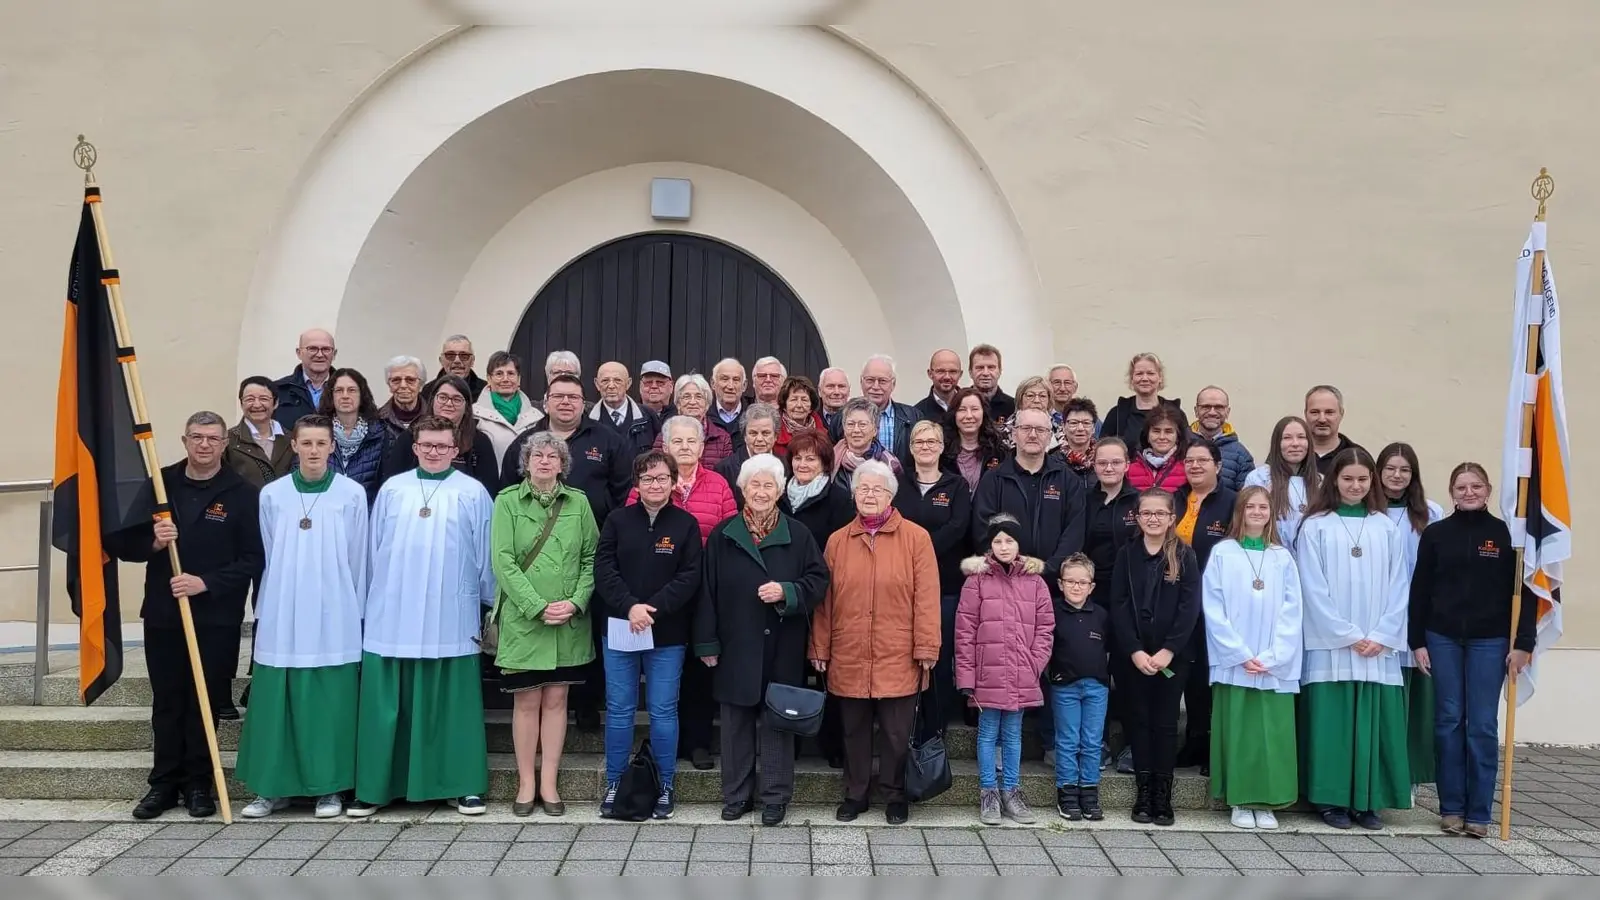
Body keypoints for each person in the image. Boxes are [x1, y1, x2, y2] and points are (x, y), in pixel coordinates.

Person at [111, 411, 264, 819]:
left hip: (215, 616)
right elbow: (123, 543)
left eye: (213, 439)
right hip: (164, 613)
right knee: (168, 701)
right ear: (184, 440)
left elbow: (253, 558)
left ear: (223, 444)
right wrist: (154, 542)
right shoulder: (160, 485)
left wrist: (206, 582)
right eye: (196, 437)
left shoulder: (242, 493)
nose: (204, 445)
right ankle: (163, 784)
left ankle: (199, 783)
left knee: (206, 699)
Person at [349, 416, 495, 818]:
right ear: (414, 447)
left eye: (442, 446)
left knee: (451, 707)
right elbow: (372, 552)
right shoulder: (393, 490)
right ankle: (377, 787)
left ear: (456, 449)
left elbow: (485, 555)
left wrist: (488, 603)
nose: (434, 452)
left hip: (451, 612)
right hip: (392, 613)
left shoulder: (473, 492)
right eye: (427, 445)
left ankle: (461, 785)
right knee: (387, 706)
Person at [236, 415, 368, 819]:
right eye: (306, 443)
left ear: (333, 448)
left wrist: (356, 613)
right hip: (285, 611)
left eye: (321, 444)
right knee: (279, 702)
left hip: (334, 613)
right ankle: (271, 788)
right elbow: (270, 552)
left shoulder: (351, 493)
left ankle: (329, 788)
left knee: (329, 704)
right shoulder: (274, 495)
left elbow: (359, 558)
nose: (313, 451)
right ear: (293, 446)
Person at [695, 455, 830, 827]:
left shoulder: (798, 534)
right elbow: (706, 591)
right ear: (742, 489)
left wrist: (787, 591)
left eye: (769, 485)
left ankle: (774, 797)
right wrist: (707, 643)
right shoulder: (724, 535)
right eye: (754, 484)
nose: (761, 491)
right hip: (734, 644)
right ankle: (736, 796)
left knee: (778, 724)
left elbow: (818, 581)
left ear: (781, 490)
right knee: (735, 727)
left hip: (782, 646)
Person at [811, 460, 940, 826]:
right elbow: (825, 600)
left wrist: (927, 647)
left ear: (890, 495)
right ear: (853, 495)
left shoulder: (916, 538)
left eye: (877, 490)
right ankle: (856, 794)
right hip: (849, 650)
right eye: (863, 489)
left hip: (898, 651)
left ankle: (895, 794)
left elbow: (928, 597)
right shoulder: (838, 540)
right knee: (853, 730)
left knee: (897, 733)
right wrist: (819, 648)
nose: (869, 495)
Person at [1410, 462, 1533, 839]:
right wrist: (1418, 641)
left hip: (1489, 640)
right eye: (1461, 487)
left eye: (1475, 486)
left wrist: (1524, 643)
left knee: (1481, 725)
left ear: (1488, 490)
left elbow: (1524, 593)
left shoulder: (1506, 535)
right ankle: (1451, 809)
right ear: (1451, 491)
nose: (1468, 492)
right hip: (1442, 637)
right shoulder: (1436, 534)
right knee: (1448, 722)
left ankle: (1478, 812)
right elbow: (1420, 591)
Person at [1294, 447, 1411, 830]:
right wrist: (1345, 634)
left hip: (1378, 644)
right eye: (1348, 479)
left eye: (1363, 479)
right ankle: (1331, 800)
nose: (1356, 485)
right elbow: (1311, 587)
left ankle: (1367, 800)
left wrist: (1381, 634)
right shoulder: (1316, 526)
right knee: (1333, 724)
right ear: (1334, 481)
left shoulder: (1385, 527)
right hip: (1332, 646)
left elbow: (1399, 586)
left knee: (1371, 723)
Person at [490, 432, 600, 818]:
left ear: (562, 464)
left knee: (556, 701)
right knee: (526, 702)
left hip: (567, 620)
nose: (544, 461)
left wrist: (575, 601)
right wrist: (537, 606)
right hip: (525, 619)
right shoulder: (506, 502)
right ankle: (525, 783)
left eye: (553, 456)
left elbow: (591, 558)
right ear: (526, 461)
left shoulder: (579, 503)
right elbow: (502, 561)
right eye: (538, 455)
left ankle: (549, 782)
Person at [594, 450, 704, 821]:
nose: (654, 485)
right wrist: (630, 607)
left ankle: (665, 784)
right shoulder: (617, 520)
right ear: (636, 484)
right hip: (621, 628)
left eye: (661, 478)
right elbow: (604, 569)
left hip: (666, 633)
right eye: (646, 479)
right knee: (621, 710)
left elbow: (689, 576)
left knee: (662, 711)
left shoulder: (685, 524)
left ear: (673, 482)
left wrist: (652, 608)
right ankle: (615, 782)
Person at [636, 414, 736, 771]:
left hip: (704, 592)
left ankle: (697, 742)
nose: (684, 447)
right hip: (659, 595)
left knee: (699, 669)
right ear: (664, 445)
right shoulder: (649, 483)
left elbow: (729, 533)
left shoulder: (719, 484)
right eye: (676, 441)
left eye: (691, 441)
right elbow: (634, 530)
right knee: (663, 671)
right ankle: (666, 740)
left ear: (701, 446)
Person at [1202, 485, 1304, 830]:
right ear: (1240, 511)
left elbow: (1294, 608)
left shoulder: (1282, 557)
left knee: (1273, 735)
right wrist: (1240, 653)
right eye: (1251, 507)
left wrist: (1275, 655)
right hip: (1236, 661)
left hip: (1274, 662)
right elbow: (1213, 607)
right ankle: (1241, 800)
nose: (1258, 512)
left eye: (1264, 507)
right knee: (1240, 732)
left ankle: (1270, 800)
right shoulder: (1223, 554)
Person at [1106, 488, 1200, 827]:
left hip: (1172, 658)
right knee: (1139, 723)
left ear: (1172, 517)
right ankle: (1143, 792)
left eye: (1160, 513)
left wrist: (1167, 650)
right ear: (1138, 517)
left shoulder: (1184, 556)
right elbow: (1117, 604)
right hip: (1134, 658)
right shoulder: (1127, 555)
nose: (1153, 519)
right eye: (1147, 513)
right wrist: (1134, 650)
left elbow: (1189, 608)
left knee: (1164, 724)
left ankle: (1163, 793)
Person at [955, 513, 1053, 826]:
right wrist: (967, 676)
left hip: (1022, 671)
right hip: (988, 673)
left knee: (1013, 735)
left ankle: (1011, 790)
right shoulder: (977, 580)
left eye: (1009, 540)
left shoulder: (1035, 582)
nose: (1003, 546)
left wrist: (1034, 662)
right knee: (987, 734)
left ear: (1020, 543)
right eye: (997, 540)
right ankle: (989, 793)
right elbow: (965, 630)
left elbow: (1045, 628)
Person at [893, 420, 974, 738]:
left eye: (932, 441)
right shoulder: (897, 483)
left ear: (942, 447)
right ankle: (907, 721)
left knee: (938, 655)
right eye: (919, 442)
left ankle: (936, 724)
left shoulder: (957, 486)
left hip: (945, 587)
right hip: (902, 586)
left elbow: (958, 527)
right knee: (904, 653)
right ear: (911, 448)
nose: (925, 447)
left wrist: (920, 549)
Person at [1377, 441, 1445, 790]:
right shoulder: (1371, 513)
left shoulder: (1431, 513)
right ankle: (1387, 769)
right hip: (1381, 613)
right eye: (1390, 468)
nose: (1397, 475)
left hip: (1419, 612)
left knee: (1418, 698)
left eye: (1404, 470)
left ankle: (1413, 774)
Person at [1172, 436, 1238, 773]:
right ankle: (1195, 739)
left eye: (1203, 460)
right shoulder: (1175, 499)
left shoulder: (1232, 503)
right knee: (1188, 669)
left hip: (1217, 601)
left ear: (1218, 465)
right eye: (1190, 461)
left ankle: (1216, 744)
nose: (1195, 466)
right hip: (1178, 601)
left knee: (1212, 672)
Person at [972, 407, 1086, 587]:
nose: (1033, 435)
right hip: (1004, 585)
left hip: (1053, 586)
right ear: (1014, 434)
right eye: (1026, 428)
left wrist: (1049, 569)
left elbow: (1074, 533)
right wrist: (1008, 568)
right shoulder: (993, 480)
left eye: (1040, 430)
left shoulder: (1068, 481)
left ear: (1050, 437)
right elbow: (982, 531)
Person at [502, 375, 632, 530]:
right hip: (534, 536)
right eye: (557, 396)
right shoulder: (525, 442)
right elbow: (508, 489)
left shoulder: (609, 440)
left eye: (573, 397)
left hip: (592, 537)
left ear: (583, 404)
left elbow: (622, 491)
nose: (565, 402)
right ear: (546, 403)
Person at [1082, 437, 1140, 773]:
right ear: (1094, 465)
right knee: (1093, 670)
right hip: (1090, 595)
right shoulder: (1085, 500)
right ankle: (1097, 742)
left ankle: (1131, 744)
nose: (1108, 468)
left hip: (1128, 597)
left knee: (1127, 670)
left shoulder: (1139, 502)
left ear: (1127, 464)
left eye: (1115, 462)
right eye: (1102, 462)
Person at [1047, 554, 1111, 822]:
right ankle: (1067, 792)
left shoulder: (1101, 615)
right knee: (1068, 740)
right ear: (1060, 584)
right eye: (1070, 581)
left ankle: (1089, 791)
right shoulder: (1051, 611)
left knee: (1092, 741)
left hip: (1097, 687)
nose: (1076, 587)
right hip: (1065, 687)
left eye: (1082, 582)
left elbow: (1108, 649)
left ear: (1092, 586)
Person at [382, 375, 500, 497]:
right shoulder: (411, 436)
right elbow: (393, 481)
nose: (449, 404)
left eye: (457, 399)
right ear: (432, 401)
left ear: (467, 407)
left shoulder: (480, 442)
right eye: (443, 397)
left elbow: (488, 491)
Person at [314, 367, 390, 505]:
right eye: (339, 390)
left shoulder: (380, 434)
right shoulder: (317, 433)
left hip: (366, 515)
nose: (345, 395)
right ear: (331, 396)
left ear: (362, 395)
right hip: (325, 513)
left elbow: (385, 485)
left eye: (352, 390)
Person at [1243, 416, 1320, 548]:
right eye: (1287, 438)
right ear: (1277, 443)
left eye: (1301, 437)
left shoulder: (1320, 482)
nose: (1295, 443)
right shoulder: (1260, 478)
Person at [1099, 352, 1188, 451]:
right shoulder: (1117, 414)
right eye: (1139, 374)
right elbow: (1102, 450)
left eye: (1150, 373)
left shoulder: (1176, 414)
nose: (1145, 378)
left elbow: (1187, 449)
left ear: (1160, 378)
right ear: (1132, 379)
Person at [473, 350, 544, 471]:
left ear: (519, 379)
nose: (505, 379)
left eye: (511, 373)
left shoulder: (537, 417)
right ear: (489, 379)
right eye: (499, 374)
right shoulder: (473, 415)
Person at [651, 374, 734, 471]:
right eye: (687, 397)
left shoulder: (722, 438)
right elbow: (656, 470)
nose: (693, 402)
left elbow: (727, 474)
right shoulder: (664, 436)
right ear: (678, 404)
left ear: (707, 404)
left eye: (699, 397)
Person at [226, 376, 294, 488]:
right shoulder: (228, 440)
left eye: (264, 399)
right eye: (250, 399)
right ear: (241, 403)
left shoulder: (291, 439)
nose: (257, 405)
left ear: (276, 403)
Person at [940, 388, 1007, 495]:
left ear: (983, 413)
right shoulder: (941, 451)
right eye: (962, 410)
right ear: (954, 414)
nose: (969, 416)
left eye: (975, 409)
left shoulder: (999, 450)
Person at [860, 355, 918, 470]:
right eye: (870, 380)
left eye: (882, 381)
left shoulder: (913, 417)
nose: (875, 387)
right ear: (861, 382)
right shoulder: (843, 417)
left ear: (893, 384)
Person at [1190, 386, 1255, 492]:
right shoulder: (1180, 446)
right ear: (1196, 411)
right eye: (1206, 407)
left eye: (1219, 407)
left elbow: (1245, 499)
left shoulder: (1241, 455)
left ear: (1227, 412)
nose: (1212, 412)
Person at [592, 360, 661, 457]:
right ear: (597, 384)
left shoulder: (648, 416)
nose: (611, 386)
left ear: (628, 383)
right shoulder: (587, 419)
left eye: (617, 380)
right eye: (605, 381)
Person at [271, 328, 336, 429]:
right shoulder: (277, 390)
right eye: (312, 349)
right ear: (299, 353)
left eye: (326, 349)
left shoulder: (349, 391)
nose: (319, 355)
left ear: (334, 354)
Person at [715, 402, 781, 496]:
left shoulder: (785, 464)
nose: (759, 439)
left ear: (775, 436)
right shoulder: (725, 469)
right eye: (753, 433)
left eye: (765, 433)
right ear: (745, 436)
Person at [1126, 406, 1188, 493]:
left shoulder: (1187, 466)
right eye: (1156, 431)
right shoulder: (1129, 468)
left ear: (1178, 436)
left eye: (1168, 431)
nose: (1162, 437)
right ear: (1147, 436)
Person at [1305, 385, 1363, 475]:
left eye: (1329, 412)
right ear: (1305, 414)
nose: (1322, 419)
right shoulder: (1292, 453)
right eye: (1315, 412)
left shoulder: (1358, 456)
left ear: (1341, 414)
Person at [1002, 376, 1061, 451]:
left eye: (1042, 396)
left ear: (1049, 401)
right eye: (1030, 395)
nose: (1037, 400)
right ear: (1020, 400)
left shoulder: (1059, 428)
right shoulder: (1006, 430)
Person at [774, 375, 827, 457]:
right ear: (784, 406)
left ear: (811, 407)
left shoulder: (825, 436)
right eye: (794, 399)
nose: (799, 405)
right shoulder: (773, 434)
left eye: (804, 400)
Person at [377, 356, 428, 438]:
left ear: (421, 385)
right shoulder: (376, 421)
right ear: (389, 385)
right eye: (396, 380)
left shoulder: (434, 417)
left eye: (410, 380)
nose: (403, 385)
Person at [429, 334, 488, 401]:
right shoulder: (428, 390)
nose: (457, 360)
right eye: (450, 355)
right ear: (441, 360)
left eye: (464, 355)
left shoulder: (486, 391)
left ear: (472, 361)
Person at [968, 343, 1015, 425]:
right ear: (970, 372)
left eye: (991, 367)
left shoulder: (1013, 407)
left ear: (1000, 371)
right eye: (980, 367)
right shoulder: (959, 405)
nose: (985, 373)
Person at [913, 348, 964, 423]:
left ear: (960, 374)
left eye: (953, 371)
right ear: (930, 374)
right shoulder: (917, 413)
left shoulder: (972, 407)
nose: (947, 377)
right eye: (941, 371)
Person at [709, 358, 750, 448]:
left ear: (744, 386)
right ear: (713, 383)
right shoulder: (703, 416)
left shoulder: (752, 417)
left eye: (736, 380)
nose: (730, 386)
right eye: (724, 379)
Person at [1060, 397, 1099, 484]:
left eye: (1086, 423)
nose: (1080, 428)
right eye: (1074, 423)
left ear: (1094, 427)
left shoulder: (1102, 459)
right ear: (1063, 426)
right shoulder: (1052, 462)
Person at [817, 367, 852, 436]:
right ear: (820, 391)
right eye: (830, 386)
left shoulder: (858, 418)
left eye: (841, 386)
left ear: (849, 391)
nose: (836, 392)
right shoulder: (811, 420)